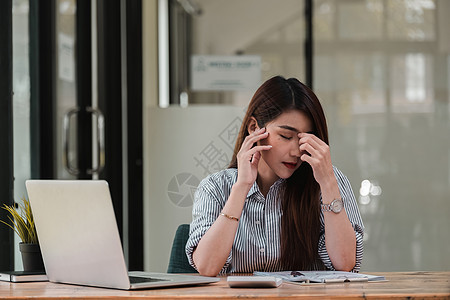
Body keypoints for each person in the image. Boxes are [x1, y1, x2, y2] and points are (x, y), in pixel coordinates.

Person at [186, 76, 364, 276]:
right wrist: (242, 186)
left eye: (306, 139)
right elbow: (207, 267)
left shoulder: (328, 180)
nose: (297, 151)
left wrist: (328, 182)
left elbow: (345, 263)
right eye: (286, 137)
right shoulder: (216, 187)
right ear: (254, 128)